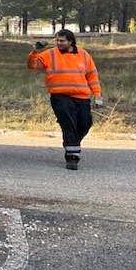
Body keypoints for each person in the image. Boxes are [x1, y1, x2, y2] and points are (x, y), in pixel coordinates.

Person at [27, 30, 103, 170]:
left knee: (85, 124)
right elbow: (32, 66)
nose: (59, 43)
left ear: (71, 41)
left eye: (62, 41)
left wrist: (97, 95)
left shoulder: (84, 55)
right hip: (60, 96)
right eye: (57, 41)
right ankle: (72, 157)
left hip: (82, 97)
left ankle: (72, 143)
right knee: (68, 123)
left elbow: (92, 76)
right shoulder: (50, 54)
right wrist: (35, 51)